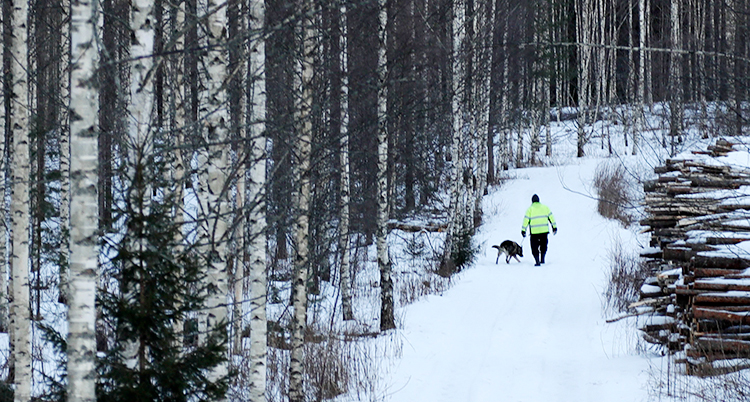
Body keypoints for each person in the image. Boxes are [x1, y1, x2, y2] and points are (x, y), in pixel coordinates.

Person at [521, 194, 557, 266]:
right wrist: (554, 227)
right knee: (544, 245)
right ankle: (542, 258)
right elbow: (551, 218)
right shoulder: (545, 208)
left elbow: (526, 220)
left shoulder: (530, 209)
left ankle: (537, 260)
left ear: (532, 201)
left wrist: (523, 230)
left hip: (534, 232)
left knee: (534, 246)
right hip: (544, 231)